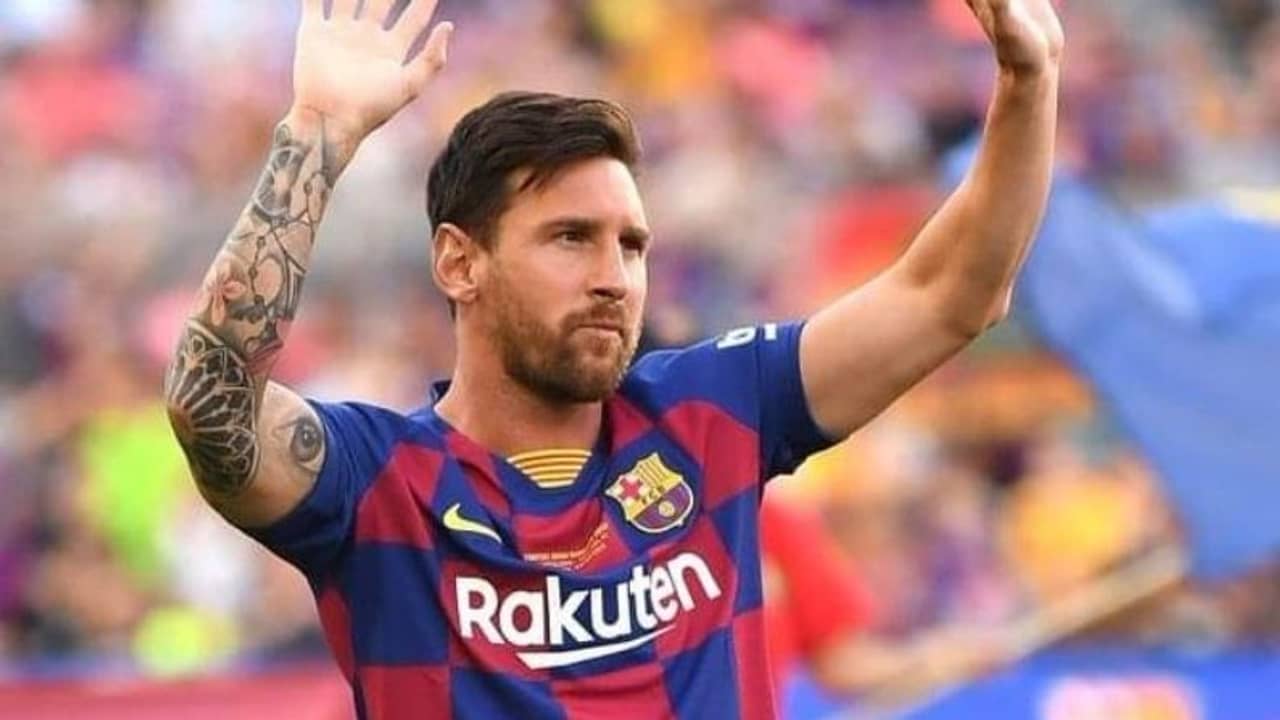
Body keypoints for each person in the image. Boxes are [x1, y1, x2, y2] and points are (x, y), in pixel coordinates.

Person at [162, 0, 1063, 717]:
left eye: (631, 245)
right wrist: (316, 134)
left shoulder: (715, 411)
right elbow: (211, 405)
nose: (613, 278)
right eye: (571, 238)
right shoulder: (377, 484)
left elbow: (949, 295)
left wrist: (1029, 82)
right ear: (459, 263)